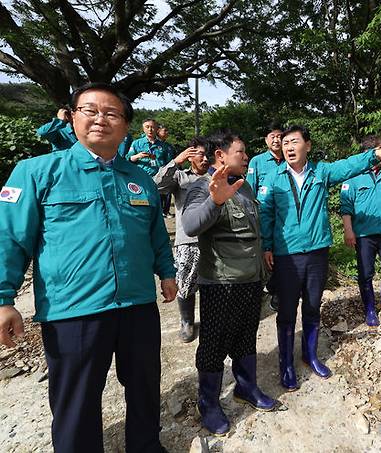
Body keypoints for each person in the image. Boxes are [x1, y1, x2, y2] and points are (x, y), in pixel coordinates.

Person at [0, 82, 177, 453]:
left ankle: (145, 446)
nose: (101, 119)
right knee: (76, 401)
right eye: (90, 110)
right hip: (74, 311)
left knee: (145, 385)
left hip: (137, 304)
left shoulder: (139, 177)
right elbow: (10, 238)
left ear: (125, 126)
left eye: (112, 113)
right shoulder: (37, 172)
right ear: (72, 117)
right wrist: (3, 298)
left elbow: (156, 233)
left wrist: (167, 271)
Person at [259, 125, 381, 391]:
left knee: (313, 306)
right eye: (285, 142)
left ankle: (309, 355)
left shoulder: (321, 172)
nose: (288, 147)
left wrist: (374, 154)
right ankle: (286, 363)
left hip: (316, 252)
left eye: (294, 142)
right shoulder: (272, 177)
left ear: (307, 146)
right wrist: (267, 246)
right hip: (286, 255)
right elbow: (266, 215)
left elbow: (348, 165)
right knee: (287, 311)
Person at [182, 132, 276, 436]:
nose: (246, 156)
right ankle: (208, 402)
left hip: (250, 279)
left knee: (246, 337)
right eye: (240, 151)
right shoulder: (202, 186)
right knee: (214, 344)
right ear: (220, 155)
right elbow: (191, 224)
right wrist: (215, 199)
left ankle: (246, 388)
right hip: (221, 282)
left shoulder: (245, 186)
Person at [340, 135, 381, 327]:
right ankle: (369, 308)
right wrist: (348, 231)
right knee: (366, 273)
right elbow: (346, 207)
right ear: (371, 153)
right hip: (364, 234)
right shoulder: (352, 178)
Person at [154, 137, 210, 342]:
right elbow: (156, 185)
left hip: (213, 239)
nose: (204, 158)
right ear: (189, 157)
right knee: (185, 282)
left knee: (213, 284)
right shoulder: (180, 177)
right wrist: (175, 162)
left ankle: (210, 319)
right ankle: (187, 321)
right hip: (188, 239)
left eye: (207, 154)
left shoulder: (216, 177)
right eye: (199, 154)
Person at [246, 122, 285, 311]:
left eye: (279, 136)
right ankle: (267, 286)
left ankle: (276, 290)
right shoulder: (257, 161)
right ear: (266, 140)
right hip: (263, 215)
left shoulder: (290, 158)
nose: (276, 140)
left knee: (282, 252)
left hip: (286, 217)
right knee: (264, 252)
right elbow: (249, 190)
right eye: (273, 136)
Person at [157, 125, 176, 217]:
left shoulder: (169, 146)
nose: (167, 133)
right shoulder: (155, 145)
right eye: (165, 130)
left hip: (170, 172)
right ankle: (160, 211)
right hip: (158, 172)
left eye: (167, 131)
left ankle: (166, 211)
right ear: (158, 132)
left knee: (168, 192)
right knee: (159, 192)